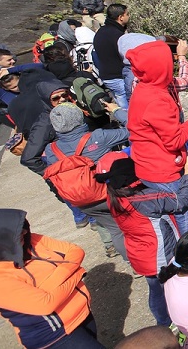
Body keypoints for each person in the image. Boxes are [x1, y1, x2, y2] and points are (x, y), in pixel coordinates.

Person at [101, 151, 188, 328]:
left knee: (156, 291)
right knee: (172, 290)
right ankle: (177, 323)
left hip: (140, 256)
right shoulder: (145, 198)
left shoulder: (112, 196)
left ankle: (163, 323)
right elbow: (181, 201)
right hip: (161, 257)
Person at [127, 40, 188, 233]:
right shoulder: (157, 101)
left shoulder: (144, 87)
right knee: (182, 210)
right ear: (161, 67)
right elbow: (175, 140)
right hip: (162, 169)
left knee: (171, 211)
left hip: (147, 162)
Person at [0, 208, 104, 348]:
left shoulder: (31, 240)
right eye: (15, 233)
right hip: (55, 335)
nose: (24, 232)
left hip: (81, 313)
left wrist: (50, 284)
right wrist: (76, 274)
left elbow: (75, 251)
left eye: (23, 228)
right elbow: (46, 304)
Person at [44, 102, 130, 260]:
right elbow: (135, 129)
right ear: (79, 118)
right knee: (132, 226)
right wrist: (117, 111)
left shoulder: (51, 149)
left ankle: (134, 265)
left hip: (83, 201)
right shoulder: (98, 137)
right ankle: (147, 262)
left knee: (116, 230)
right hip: (110, 194)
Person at [92, 4, 129, 108]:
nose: (128, 17)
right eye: (127, 14)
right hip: (118, 76)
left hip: (106, 76)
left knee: (120, 105)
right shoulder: (117, 35)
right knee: (128, 110)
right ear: (121, 17)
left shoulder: (101, 32)